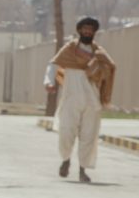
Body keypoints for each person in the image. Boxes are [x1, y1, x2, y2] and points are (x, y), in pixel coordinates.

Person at [43, 16, 117, 183]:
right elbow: (53, 64)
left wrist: (99, 69)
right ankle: (65, 160)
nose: (87, 32)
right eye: (85, 29)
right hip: (71, 99)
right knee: (66, 132)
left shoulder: (99, 53)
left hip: (92, 101)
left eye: (90, 30)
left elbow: (110, 69)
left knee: (89, 137)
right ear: (80, 30)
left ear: (94, 32)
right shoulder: (69, 50)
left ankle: (82, 169)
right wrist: (48, 81)